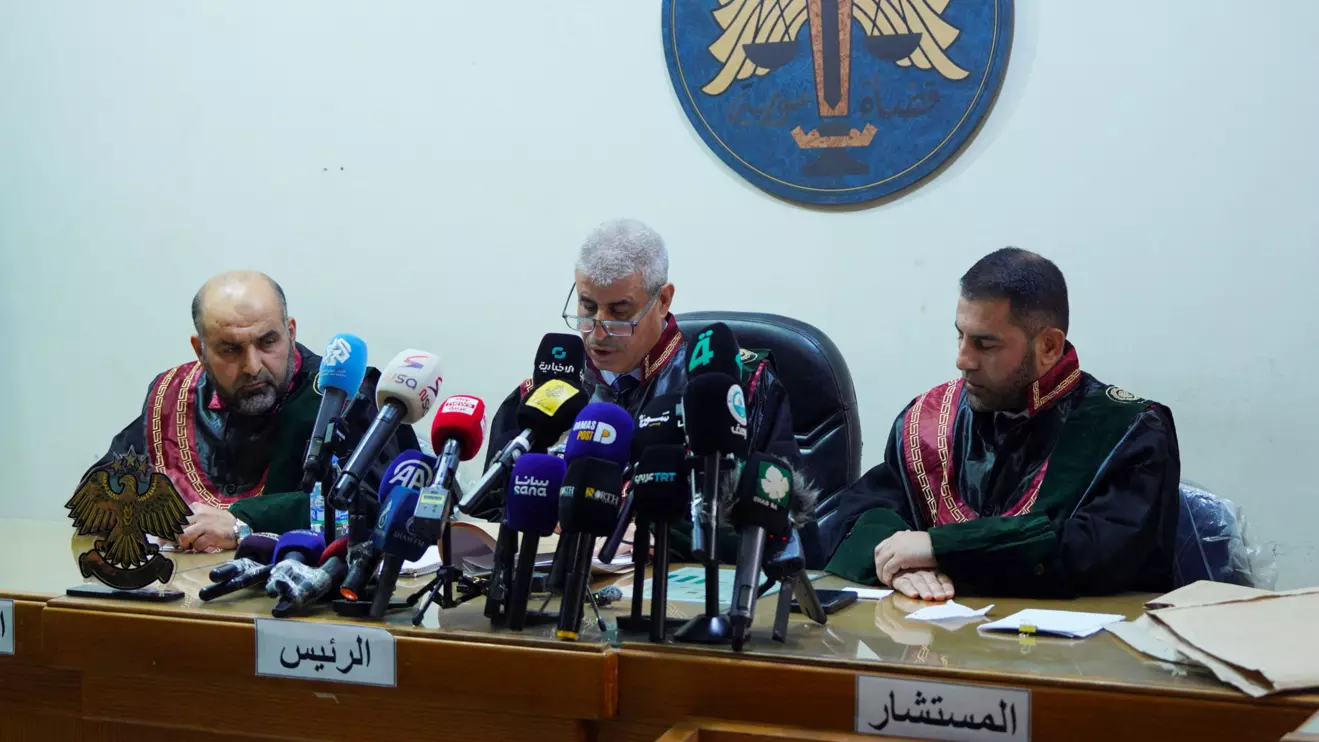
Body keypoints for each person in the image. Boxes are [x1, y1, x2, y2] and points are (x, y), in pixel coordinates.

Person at [822, 248, 1180, 600]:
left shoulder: (1131, 430)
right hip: (933, 644)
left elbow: (1093, 550)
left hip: (1077, 650)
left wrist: (938, 547)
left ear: (1049, 347)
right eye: (960, 335)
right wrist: (900, 562)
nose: (962, 360)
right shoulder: (928, 418)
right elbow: (860, 511)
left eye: (984, 344)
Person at [484, 219, 810, 558]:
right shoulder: (544, 400)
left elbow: (790, 530)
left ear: (663, 300)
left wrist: (662, 536)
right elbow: (487, 516)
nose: (597, 333)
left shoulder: (737, 389)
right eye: (588, 307)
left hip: (680, 592)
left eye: (619, 312)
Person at [80, 271, 417, 551]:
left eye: (268, 342)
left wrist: (243, 523)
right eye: (230, 349)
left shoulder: (345, 396)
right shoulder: (175, 394)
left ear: (291, 332)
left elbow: (380, 504)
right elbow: (97, 497)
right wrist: (158, 516)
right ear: (200, 349)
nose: (253, 366)